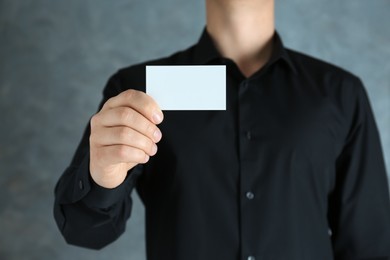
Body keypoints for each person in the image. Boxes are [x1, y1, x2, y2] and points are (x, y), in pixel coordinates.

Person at [54, 0, 390, 259]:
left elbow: (369, 244)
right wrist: (102, 174)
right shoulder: (138, 90)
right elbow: (85, 232)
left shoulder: (339, 94)